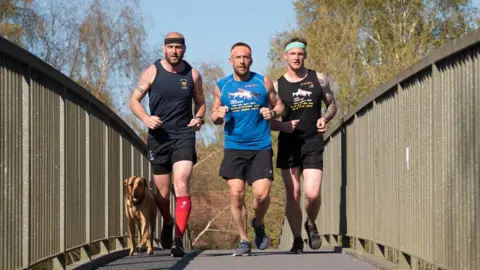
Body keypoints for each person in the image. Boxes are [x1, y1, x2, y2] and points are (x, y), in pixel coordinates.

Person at [129, 32, 206, 257]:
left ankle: (178, 239)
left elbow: (201, 103)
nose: (174, 51)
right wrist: (146, 118)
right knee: (162, 195)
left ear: (184, 49)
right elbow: (134, 100)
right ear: (164, 49)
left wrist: (199, 118)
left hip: (183, 134)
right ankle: (168, 221)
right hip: (159, 136)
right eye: (170, 47)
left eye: (178, 47)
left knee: (181, 183)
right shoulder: (153, 71)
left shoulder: (193, 74)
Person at [210, 42, 284, 256]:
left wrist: (274, 113)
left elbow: (279, 105)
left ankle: (258, 223)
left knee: (261, 195)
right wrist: (218, 114)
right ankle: (244, 240)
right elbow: (213, 116)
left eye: (246, 57)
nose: (242, 61)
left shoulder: (263, 82)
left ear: (251, 60)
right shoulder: (222, 86)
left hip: (260, 145)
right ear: (230, 60)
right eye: (238, 57)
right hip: (234, 146)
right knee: (236, 193)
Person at [270, 37, 337, 254]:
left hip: (312, 142)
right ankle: (298, 239)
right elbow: (269, 120)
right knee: (294, 194)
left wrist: (325, 119)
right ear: (285, 56)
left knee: (313, 192)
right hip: (289, 144)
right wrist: (283, 126)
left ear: (305, 55)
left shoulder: (319, 79)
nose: (296, 57)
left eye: (300, 53)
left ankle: (311, 223)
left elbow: (332, 105)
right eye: (292, 54)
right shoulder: (277, 85)